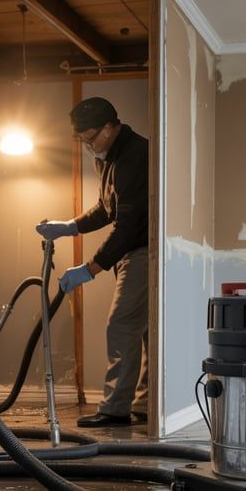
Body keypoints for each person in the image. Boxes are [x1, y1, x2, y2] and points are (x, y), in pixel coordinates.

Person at [36, 97, 149, 428]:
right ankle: (144, 404)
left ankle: (115, 410)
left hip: (144, 250)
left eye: (90, 139)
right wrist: (70, 227)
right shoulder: (109, 156)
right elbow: (106, 208)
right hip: (133, 250)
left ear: (110, 128)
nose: (87, 148)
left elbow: (128, 226)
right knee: (142, 330)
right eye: (82, 140)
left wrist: (89, 269)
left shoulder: (135, 156)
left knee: (122, 325)